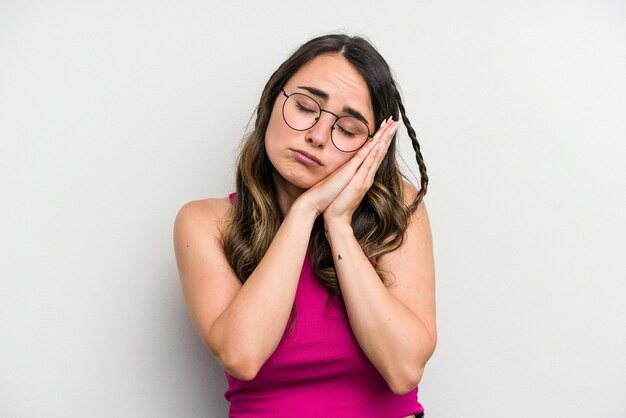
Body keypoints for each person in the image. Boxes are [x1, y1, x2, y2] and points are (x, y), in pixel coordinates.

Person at [174, 34, 436, 418]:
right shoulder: (205, 222)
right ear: (271, 100)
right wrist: (304, 211)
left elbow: (403, 371)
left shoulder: (397, 208)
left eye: (347, 129)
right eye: (304, 107)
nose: (316, 136)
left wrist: (339, 224)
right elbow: (242, 356)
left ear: (372, 148)